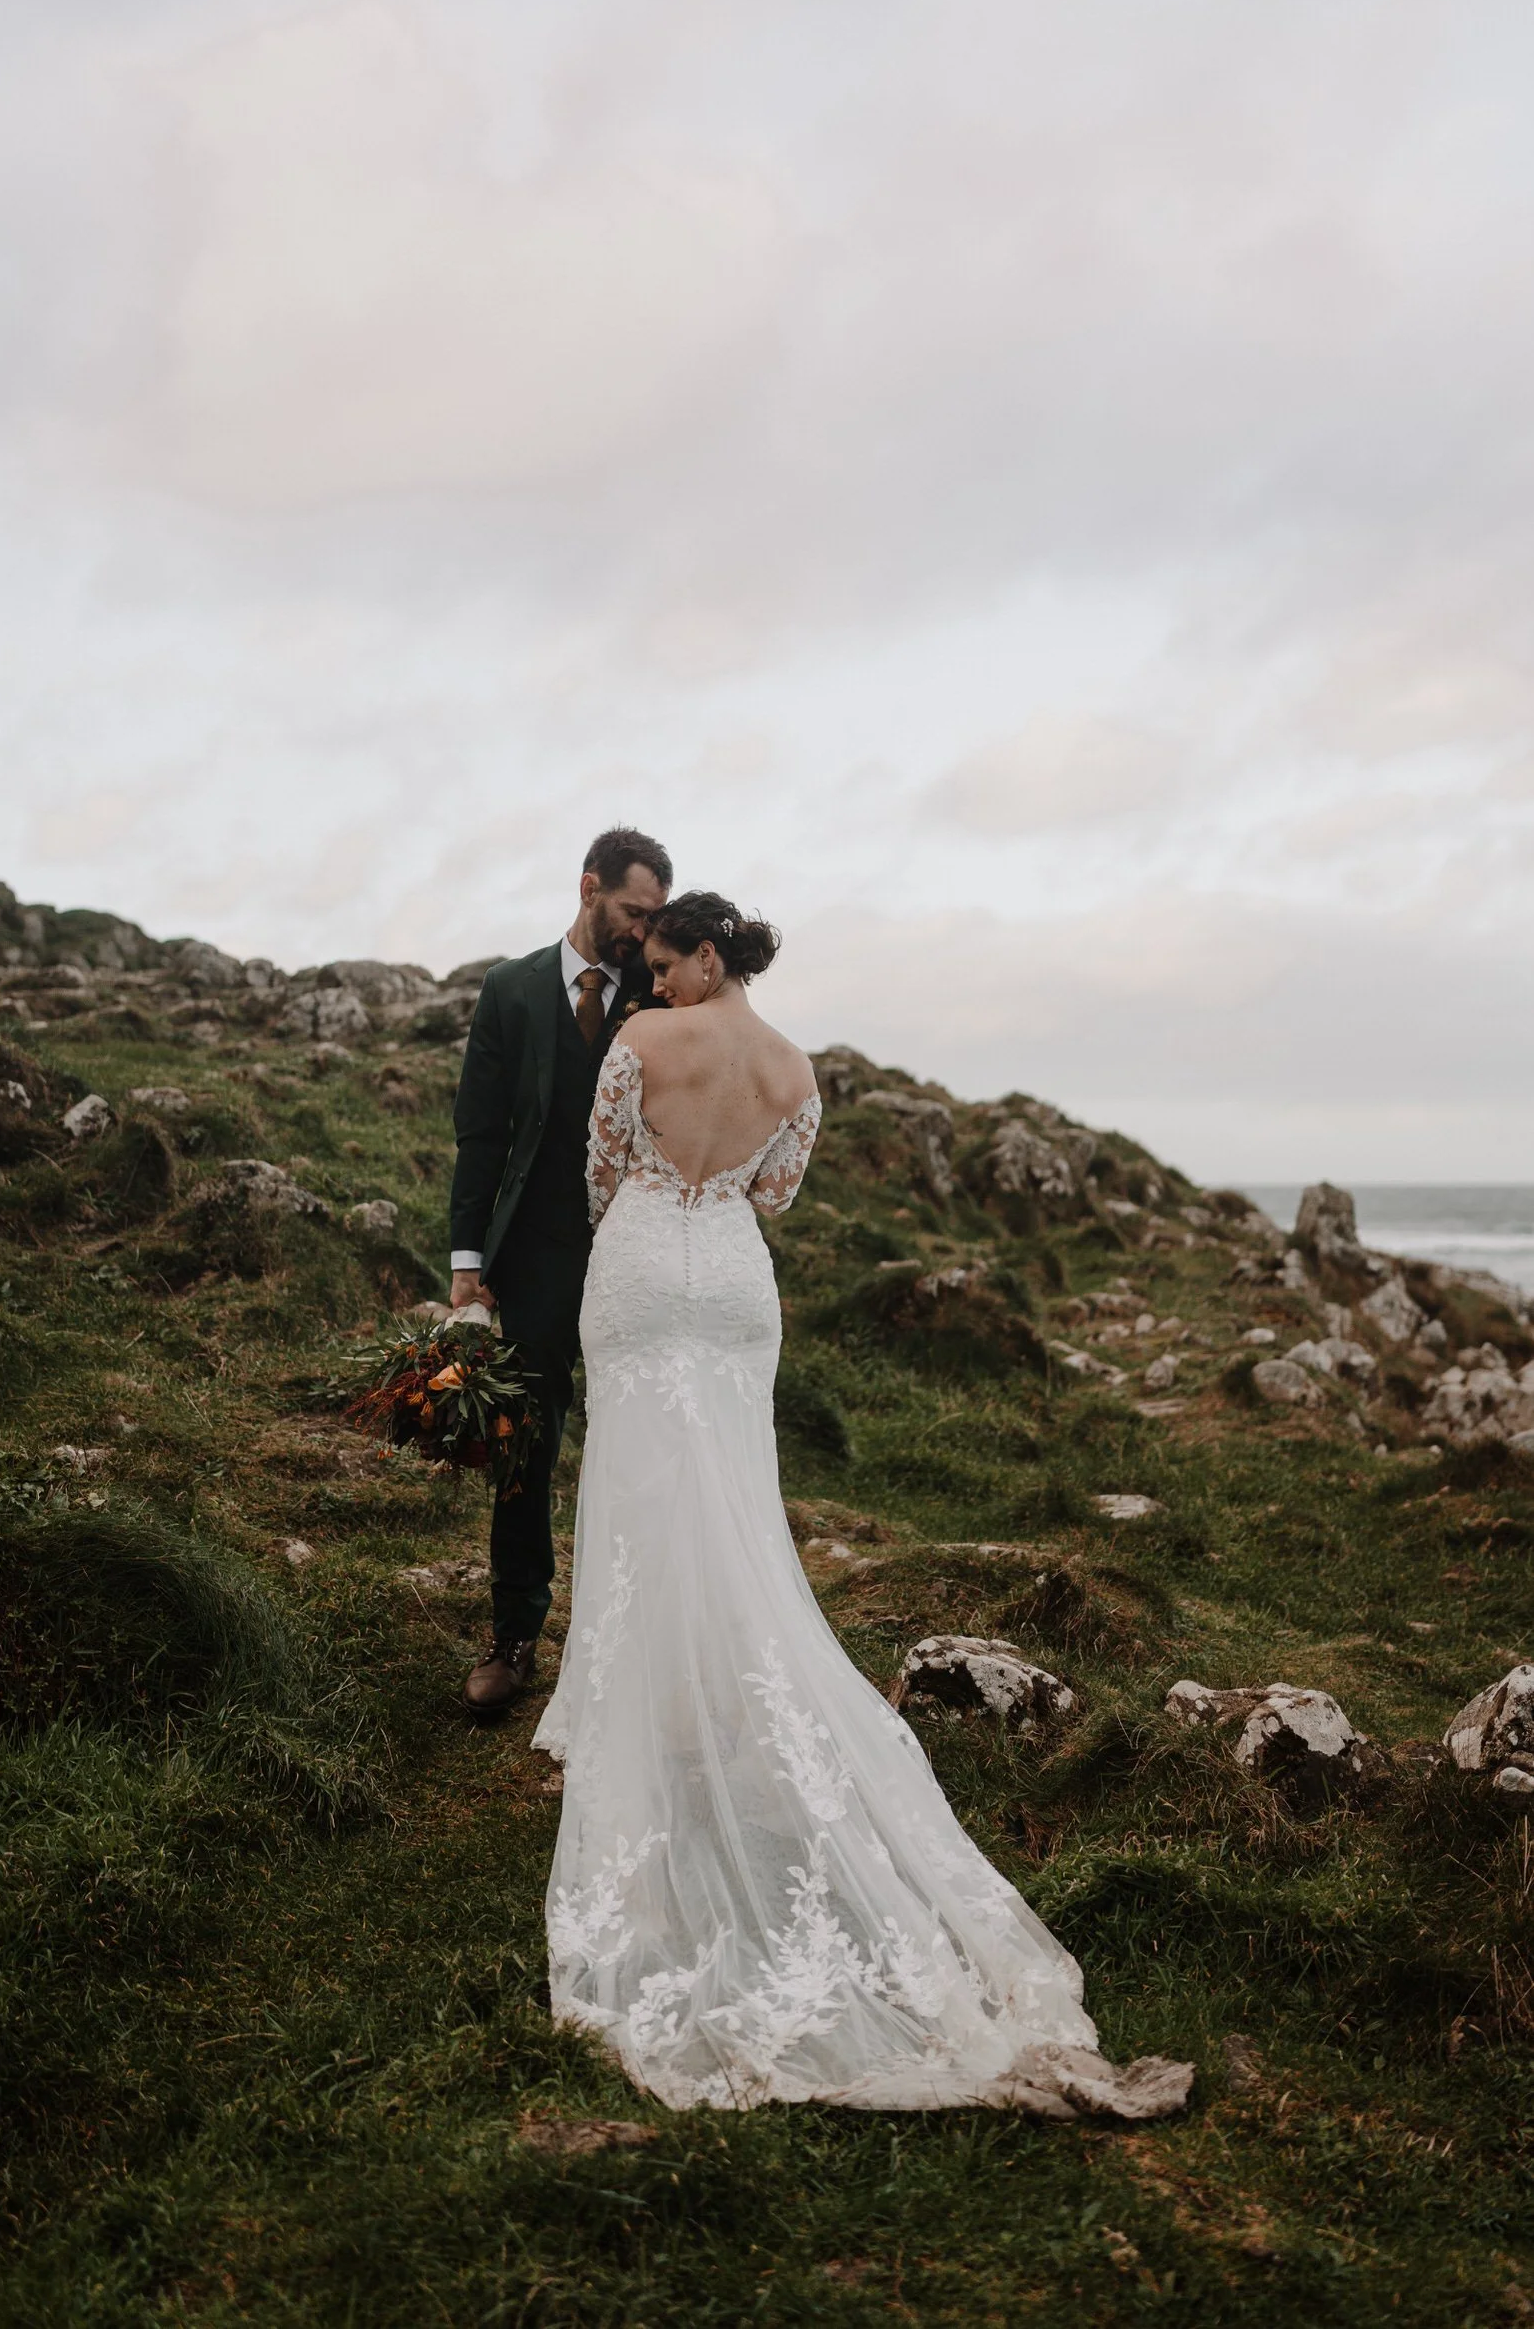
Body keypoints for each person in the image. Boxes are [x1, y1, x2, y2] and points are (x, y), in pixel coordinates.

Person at [534, 891, 1193, 2117]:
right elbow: (773, 1196)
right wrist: (708, 1194)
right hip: (734, 1284)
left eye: (666, 964)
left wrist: (644, 1212)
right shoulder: (794, 1069)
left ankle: (642, 1699)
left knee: (639, 1488)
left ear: (705, 955)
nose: (654, 983)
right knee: (731, 1492)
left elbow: (601, 1168)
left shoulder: (637, 1043)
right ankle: (717, 1693)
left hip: (637, 1271)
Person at [448, 826, 672, 1717]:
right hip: (534, 1258)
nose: (641, 932)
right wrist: (469, 1262)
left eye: (655, 917)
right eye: (631, 911)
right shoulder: (508, 991)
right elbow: (480, 1133)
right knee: (524, 1447)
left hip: (637, 1255)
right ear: (588, 888)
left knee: (643, 1446)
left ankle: (640, 1643)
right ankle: (513, 1638)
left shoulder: (663, 1001)